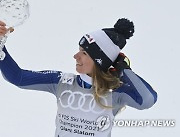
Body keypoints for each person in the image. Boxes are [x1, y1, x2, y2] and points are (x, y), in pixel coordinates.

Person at [0, 18, 157, 137]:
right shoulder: (61, 81)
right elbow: (18, 77)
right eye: (78, 50)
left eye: (84, 53)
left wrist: (125, 70)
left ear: (99, 61)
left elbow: (147, 100)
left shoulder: (115, 92)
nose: (75, 56)